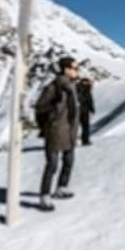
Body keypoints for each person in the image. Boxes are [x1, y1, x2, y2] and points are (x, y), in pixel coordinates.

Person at [34, 57, 80, 212]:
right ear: (66, 69)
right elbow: (39, 107)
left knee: (69, 161)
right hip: (55, 130)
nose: (77, 70)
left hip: (69, 130)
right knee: (52, 165)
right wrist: (49, 123)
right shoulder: (54, 87)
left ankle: (61, 188)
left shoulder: (72, 86)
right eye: (74, 68)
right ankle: (44, 197)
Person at [77, 77, 96, 146]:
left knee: (84, 126)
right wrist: (92, 109)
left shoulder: (86, 89)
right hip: (82, 111)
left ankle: (85, 140)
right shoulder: (82, 89)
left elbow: (90, 100)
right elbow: (89, 100)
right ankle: (85, 140)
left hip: (81, 110)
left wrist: (92, 109)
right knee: (85, 126)